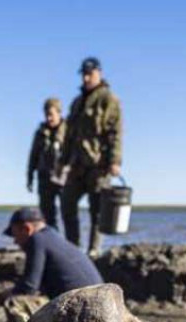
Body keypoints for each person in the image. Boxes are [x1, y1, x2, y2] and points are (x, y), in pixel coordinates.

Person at [61, 56, 123, 258]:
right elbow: (69, 135)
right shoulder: (77, 102)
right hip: (77, 164)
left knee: (98, 211)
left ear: (99, 73)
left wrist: (114, 160)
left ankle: (94, 250)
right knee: (67, 203)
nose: (87, 78)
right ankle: (73, 247)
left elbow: (116, 131)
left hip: (99, 164)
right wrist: (62, 161)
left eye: (90, 74)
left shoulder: (108, 99)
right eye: (84, 74)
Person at [1, 206, 103, 322]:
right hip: (98, 303)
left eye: (15, 235)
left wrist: (7, 294)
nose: (15, 242)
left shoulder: (37, 240)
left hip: (83, 310)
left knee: (15, 303)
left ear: (26, 228)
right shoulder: (52, 236)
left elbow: (29, 286)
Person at [26, 98, 66, 229]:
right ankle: (53, 243)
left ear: (59, 113)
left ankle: (71, 246)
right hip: (44, 178)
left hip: (64, 178)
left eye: (51, 115)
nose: (49, 118)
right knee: (47, 215)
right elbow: (33, 156)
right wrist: (30, 177)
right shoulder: (40, 133)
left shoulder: (69, 131)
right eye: (46, 115)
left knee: (68, 213)